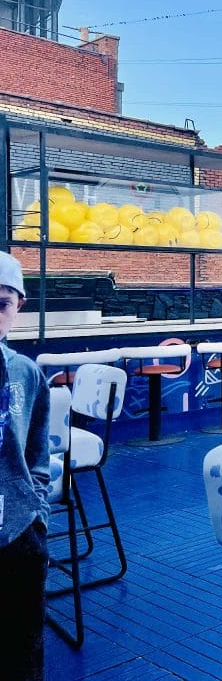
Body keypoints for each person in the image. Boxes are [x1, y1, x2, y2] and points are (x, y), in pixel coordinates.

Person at [0, 252, 50, 681]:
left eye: (1, 304)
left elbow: (38, 453)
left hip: (17, 533)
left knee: (21, 654)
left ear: (19, 307)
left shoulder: (27, 374)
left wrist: (37, 517)